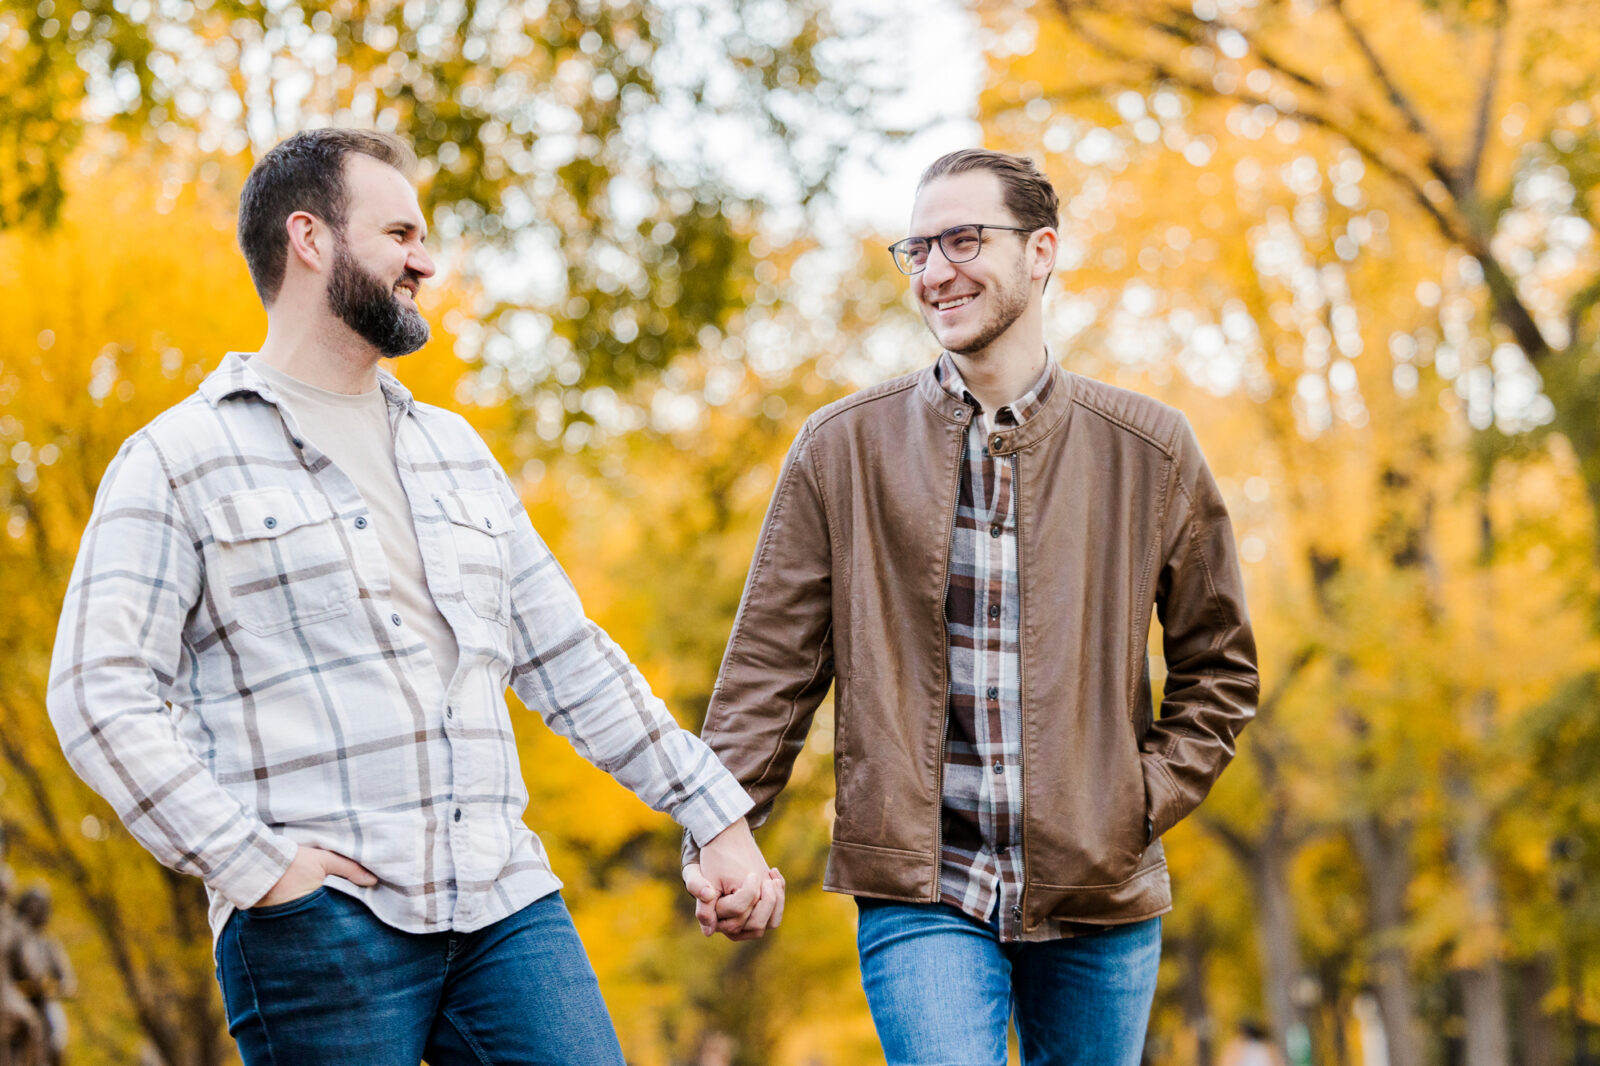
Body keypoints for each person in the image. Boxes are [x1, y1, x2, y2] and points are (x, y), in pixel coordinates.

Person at [47, 128, 780, 1065]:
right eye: (401, 234)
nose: (426, 261)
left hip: (503, 902)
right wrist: (258, 868)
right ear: (310, 239)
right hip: (318, 927)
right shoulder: (176, 459)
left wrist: (711, 812)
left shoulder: (455, 451)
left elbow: (566, 656)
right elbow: (96, 691)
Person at [683, 148, 1259, 1065]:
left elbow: (1218, 669)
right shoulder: (843, 449)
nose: (935, 270)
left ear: (1042, 252)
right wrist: (720, 829)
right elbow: (770, 666)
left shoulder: (1149, 451)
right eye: (916, 249)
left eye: (962, 239)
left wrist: (1134, 803)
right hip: (922, 887)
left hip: (1099, 895)